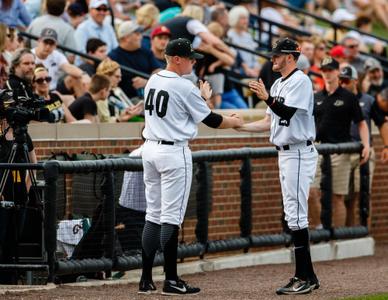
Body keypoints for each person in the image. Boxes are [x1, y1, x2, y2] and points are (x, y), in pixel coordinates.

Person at [139, 38, 243, 295]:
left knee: (153, 214)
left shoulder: (153, 79)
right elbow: (212, 120)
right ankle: (171, 280)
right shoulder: (183, 86)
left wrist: (202, 98)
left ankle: (145, 279)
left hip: (150, 148)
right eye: (190, 57)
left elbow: (182, 110)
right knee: (170, 218)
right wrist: (234, 121)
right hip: (173, 151)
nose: (194, 61)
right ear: (176, 58)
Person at [235, 37, 319, 295]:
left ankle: (302, 276)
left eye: (277, 55)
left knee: (295, 215)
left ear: (291, 57)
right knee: (292, 213)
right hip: (285, 153)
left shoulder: (301, 80)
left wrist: (266, 98)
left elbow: (287, 112)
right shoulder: (279, 82)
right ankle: (308, 276)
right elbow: (269, 121)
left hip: (298, 152)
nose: (272, 58)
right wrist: (239, 126)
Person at [310, 57, 370, 228]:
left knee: (337, 196)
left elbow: (361, 123)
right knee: (311, 192)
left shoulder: (349, 97)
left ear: (337, 72)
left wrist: (366, 145)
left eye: (330, 70)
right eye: (324, 70)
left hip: (340, 150)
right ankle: (320, 229)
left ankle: (337, 237)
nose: (327, 73)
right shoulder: (315, 97)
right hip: (318, 149)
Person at [338, 65, 388, 226]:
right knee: (346, 197)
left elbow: (381, 123)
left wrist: (387, 146)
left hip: (363, 151)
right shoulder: (336, 100)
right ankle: (349, 235)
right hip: (342, 152)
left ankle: (364, 233)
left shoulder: (368, 100)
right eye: (341, 81)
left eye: (346, 81)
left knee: (363, 194)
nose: (343, 84)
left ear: (355, 81)